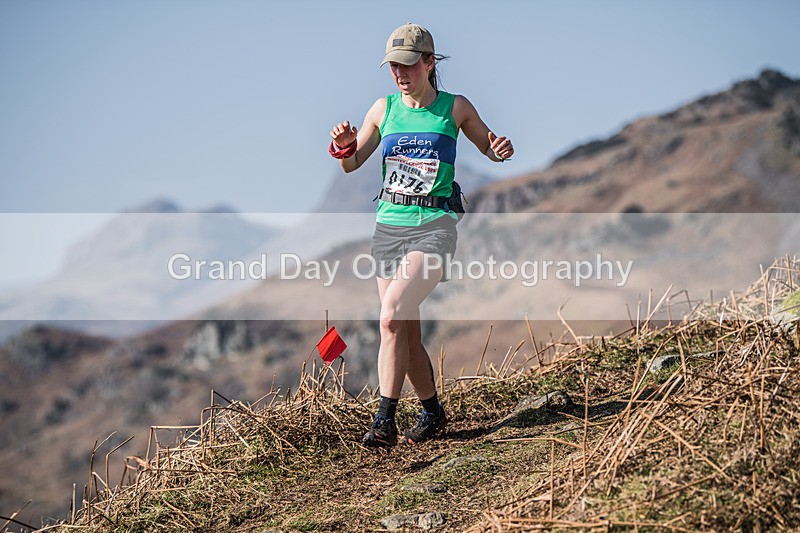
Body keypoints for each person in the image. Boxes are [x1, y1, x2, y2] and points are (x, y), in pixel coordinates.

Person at [328, 23, 514, 447]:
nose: (400, 73)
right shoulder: (382, 109)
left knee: (391, 314)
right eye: (394, 66)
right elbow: (352, 163)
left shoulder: (455, 107)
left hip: (435, 229)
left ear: (430, 62)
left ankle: (383, 422)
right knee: (403, 330)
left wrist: (498, 149)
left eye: (409, 64)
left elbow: (488, 144)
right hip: (388, 229)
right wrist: (342, 146)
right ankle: (432, 412)